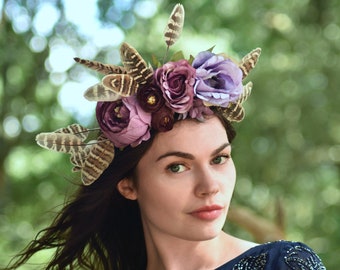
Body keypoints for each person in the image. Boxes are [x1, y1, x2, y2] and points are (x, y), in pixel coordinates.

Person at [4, 4, 326, 270]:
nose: (210, 186)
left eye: (219, 159)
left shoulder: (285, 264)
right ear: (128, 184)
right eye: (177, 167)